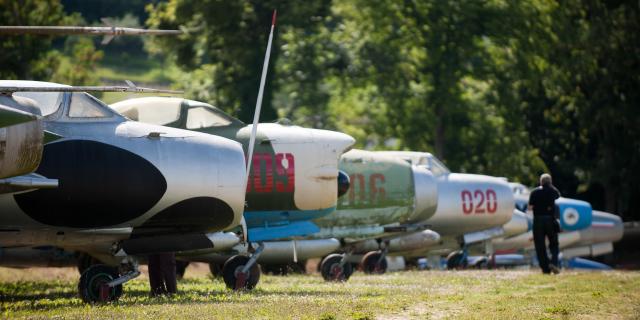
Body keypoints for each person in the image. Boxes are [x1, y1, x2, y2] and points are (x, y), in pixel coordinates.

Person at [528, 173, 561, 274]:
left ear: (540, 181)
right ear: (550, 182)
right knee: (554, 244)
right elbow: (558, 196)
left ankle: (545, 269)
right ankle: (554, 263)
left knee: (540, 245)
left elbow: (529, 207)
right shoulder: (553, 191)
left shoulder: (534, 192)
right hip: (550, 220)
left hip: (538, 221)